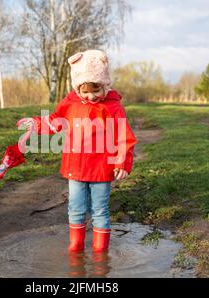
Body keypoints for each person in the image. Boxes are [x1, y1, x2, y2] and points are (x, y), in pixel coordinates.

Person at [17, 49, 137, 253]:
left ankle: (100, 252)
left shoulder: (112, 107)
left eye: (96, 90)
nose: (91, 96)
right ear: (77, 87)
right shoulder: (70, 103)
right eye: (85, 91)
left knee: (100, 210)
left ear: (105, 85)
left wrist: (122, 163)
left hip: (101, 169)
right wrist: (36, 124)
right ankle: (76, 246)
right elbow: (55, 122)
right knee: (76, 208)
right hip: (76, 168)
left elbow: (124, 137)